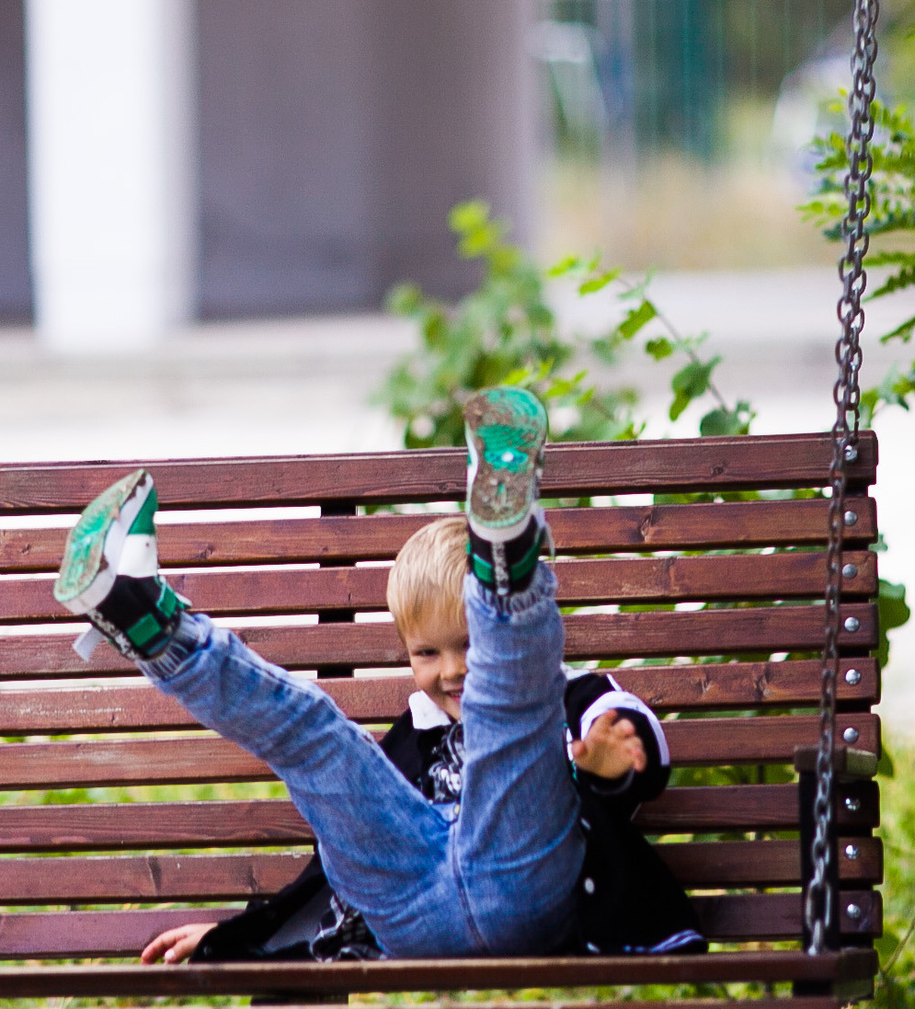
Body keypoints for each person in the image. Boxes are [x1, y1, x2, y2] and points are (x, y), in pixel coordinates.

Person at [51, 385, 706, 963]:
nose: (451, 671)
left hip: (524, 887)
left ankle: (503, 563)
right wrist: (234, 935)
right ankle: (147, 620)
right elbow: (344, 852)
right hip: (413, 911)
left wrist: (609, 764)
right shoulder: (406, 742)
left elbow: (628, 733)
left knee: (506, 711)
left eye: (467, 647)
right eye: (427, 653)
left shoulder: (563, 699)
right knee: (312, 733)